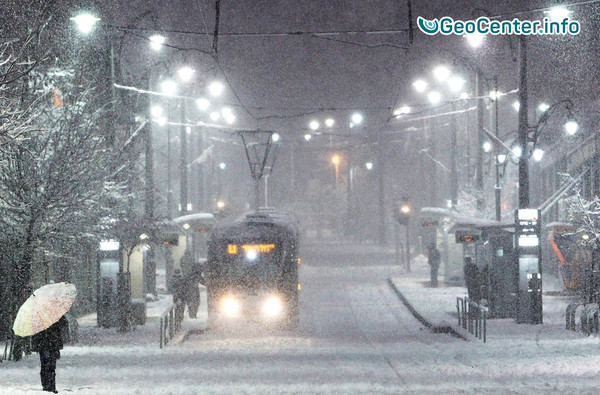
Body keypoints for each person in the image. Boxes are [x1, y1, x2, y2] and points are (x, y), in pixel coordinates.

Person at [31, 315, 68, 393]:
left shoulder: (38, 314)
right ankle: (50, 385)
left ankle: (47, 385)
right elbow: (63, 323)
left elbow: (34, 329)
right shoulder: (53, 313)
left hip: (45, 342)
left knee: (45, 364)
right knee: (50, 365)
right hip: (51, 342)